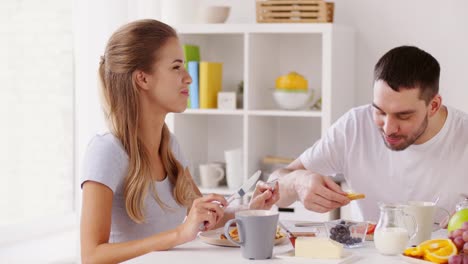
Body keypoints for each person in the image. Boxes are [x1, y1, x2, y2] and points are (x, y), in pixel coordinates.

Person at [80, 19, 279, 263]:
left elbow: (206, 217)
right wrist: (179, 234)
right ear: (142, 79)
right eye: (176, 67)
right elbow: (91, 256)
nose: (188, 78)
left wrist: (251, 208)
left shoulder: (169, 145)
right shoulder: (107, 151)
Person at [271, 46, 468, 222]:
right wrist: (298, 182)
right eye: (380, 111)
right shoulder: (354, 126)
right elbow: (273, 187)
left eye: (404, 115)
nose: (389, 128)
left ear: (433, 106)